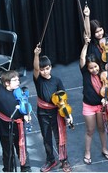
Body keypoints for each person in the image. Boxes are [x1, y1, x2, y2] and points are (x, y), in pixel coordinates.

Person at [83, 6, 108, 134]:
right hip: (95, 71)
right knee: (98, 96)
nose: (99, 33)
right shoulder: (91, 43)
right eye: (96, 32)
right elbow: (87, 32)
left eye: (100, 30)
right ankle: (101, 119)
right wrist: (87, 16)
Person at [33, 44, 72, 172]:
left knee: (59, 136)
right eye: (42, 69)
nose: (45, 71)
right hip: (43, 113)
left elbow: (63, 100)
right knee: (46, 137)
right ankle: (50, 160)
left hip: (56, 112)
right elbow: (35, 67)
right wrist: (36, 55)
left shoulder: (57, 81)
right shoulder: (38, 80)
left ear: (51, 67)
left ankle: (64, 159)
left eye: (47, 68)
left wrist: (68, 115)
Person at [80, 36, 108, 165]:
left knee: (102, 128)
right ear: (87, 69)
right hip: (88, 106)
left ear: (99, 65)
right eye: (91, 68)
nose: (94, 70)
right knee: (90, 130)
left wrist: (105, 99)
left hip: (101, 106)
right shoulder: (85, 73)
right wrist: (85, 45)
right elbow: (82, 58)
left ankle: (104, 148)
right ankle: (87, 152)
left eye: (95, 67)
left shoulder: (103, 74)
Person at [0, 70, 32, 172]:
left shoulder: (19, 92)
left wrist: (27, 115)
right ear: (7, 83)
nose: (18, 82)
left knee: (22, 150)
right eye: (15, 80)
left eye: (18, 79)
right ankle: (8, 170)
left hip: (18, 126)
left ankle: (26, 169)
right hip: (4, 127)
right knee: (7, 151)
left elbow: (25, 106)